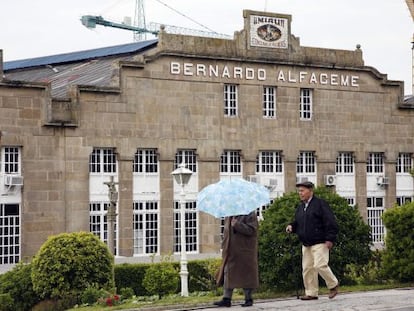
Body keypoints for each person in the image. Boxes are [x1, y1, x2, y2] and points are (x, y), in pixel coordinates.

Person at [285, 181, 339, 300]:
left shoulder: (320, 204)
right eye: (299, 191)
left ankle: (333, 284)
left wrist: (330, 238)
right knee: (308, 269)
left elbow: (330, 222)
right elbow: (298, 222)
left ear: (310, 191)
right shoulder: (301, 207)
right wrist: (292, 226)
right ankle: (311, 292)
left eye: (302, 190)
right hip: (306, 243)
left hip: (320, 241)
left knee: (320, 265)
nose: (300, 193)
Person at [214, 211, 259, 307]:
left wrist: (238, 225)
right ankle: (226, 298)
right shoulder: (229, 214)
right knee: (227, 272)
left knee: (246, 274)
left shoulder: (250, 213)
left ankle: (248, 298)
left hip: (244, 251)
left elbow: (252, 230)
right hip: (230, 251)